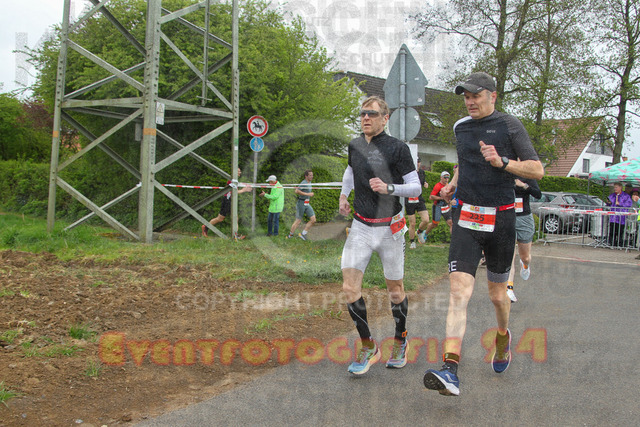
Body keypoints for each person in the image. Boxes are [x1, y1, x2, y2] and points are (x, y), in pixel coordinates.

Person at [423, 72, 544, 396]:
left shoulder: (509, 125)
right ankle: (450, 370)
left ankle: (503, 337)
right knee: (458, 292)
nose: (470, 102)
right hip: (467, 219)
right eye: (466, 97)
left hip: (501, 220)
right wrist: (453, 185)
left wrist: (503, 162)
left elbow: (536, 169)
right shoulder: (460, 128)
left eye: (475, 95)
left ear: (493, 95)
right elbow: (464, 163)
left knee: (497, 296)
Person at [339, 95, 421, 375]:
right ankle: (368, 346)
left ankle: (400, 340)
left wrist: (389, 188)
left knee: (395, 291)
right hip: (361, 226)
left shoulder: (398, 148)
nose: (365, 118)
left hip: (389, 228)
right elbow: (350, 170)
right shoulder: (355, 145)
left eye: (372, 114)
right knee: (349, 289)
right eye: (363, 113)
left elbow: (415, 187)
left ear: (385, 119)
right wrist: (344, 195)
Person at [506, 177, 542, 302]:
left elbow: (538, 194)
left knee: (525, 257)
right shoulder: (505, 175)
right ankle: (509, 289)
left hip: (524, 219)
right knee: (509, 256)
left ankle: (525, 265)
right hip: (507, 218)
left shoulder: (527, 176)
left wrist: (523, 185)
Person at [202, 168, 252, 239]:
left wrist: (246, 186)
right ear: (234, 172)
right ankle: (235, 236)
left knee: (225, 218)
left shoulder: (235, 180)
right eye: (238, 171)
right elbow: (234, 191)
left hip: (229, 200)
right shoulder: (232, 180)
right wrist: (244, 190)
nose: (240, 172)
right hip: (227, 200)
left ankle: (206, 227)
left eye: (240, 171)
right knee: (226, 218)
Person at [419, 171, 453, 243]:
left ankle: (453, 241)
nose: (446, 179)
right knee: (435, 224)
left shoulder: (448, 185)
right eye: (445, 177)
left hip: (445, 207)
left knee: (451, 223)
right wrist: (441, 198)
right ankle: (425, 233)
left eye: (448, 178)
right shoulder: (438, 186)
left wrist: (449, 203)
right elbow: (431, 197)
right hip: (437, 206)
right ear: (441, 177)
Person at [407, 158, 430, 249]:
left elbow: (422, 181)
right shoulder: (408, 172)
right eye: (416, 161)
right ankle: (412, 242)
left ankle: (419, 232)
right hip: (409, 199)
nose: (418, 163)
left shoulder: (422, 172)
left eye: (419, 162)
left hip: (419, 199)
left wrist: (425, 183)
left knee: (426, 220)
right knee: (412, 223)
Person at [287, 170, 316, 241]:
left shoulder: (309, 182)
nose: (312, 176)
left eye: (312, 175)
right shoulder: (303, 183)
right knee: (298, 221)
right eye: (310, 175)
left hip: (307, 203)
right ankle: (290, 235)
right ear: (306, 176)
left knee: (313, 220)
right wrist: (308, 194)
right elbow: (296, 191)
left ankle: (303, 234)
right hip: (301, 203)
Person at [605, 182, 632, 247]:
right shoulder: (612, 195)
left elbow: (628, 204)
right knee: (612, 231)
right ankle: (612, 243)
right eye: (614, 187)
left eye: (616, 187)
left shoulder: (626, 196)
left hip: (621, 218)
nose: (615, 189)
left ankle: (619, 244)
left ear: (621, 187)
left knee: (620, 232)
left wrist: (620, 204)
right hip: (613, 217)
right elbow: (608, 204)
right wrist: (608, 203)